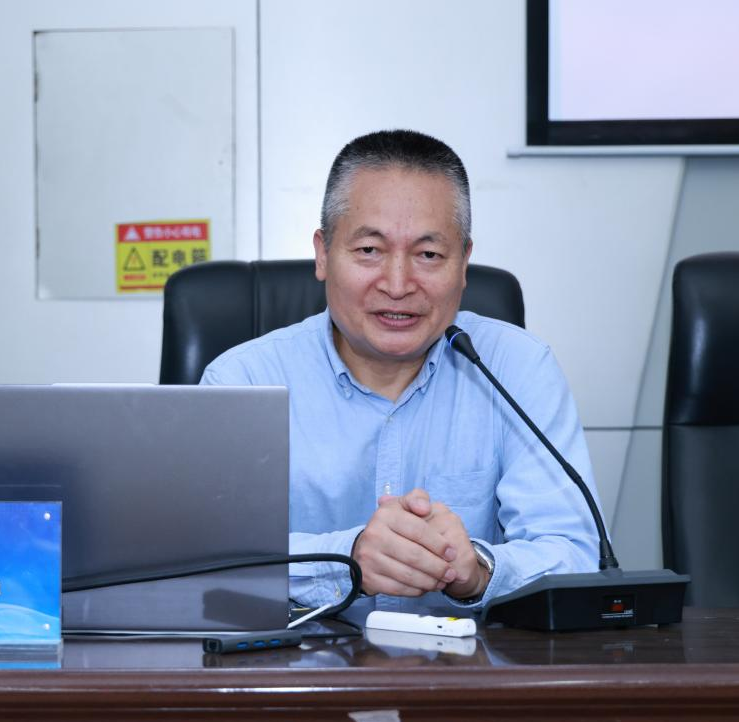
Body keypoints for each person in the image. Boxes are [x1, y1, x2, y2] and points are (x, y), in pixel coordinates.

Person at [201, 129, 600, 615]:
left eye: (428, 255)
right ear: (323, 253)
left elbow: (575, 554)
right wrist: (345, 560)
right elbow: (206, 563)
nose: (397, 284)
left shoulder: (516, 369)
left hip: (470, 661)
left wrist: (478, 569)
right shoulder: (243, 381)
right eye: (369, 250)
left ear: (464, 263)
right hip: (300, 659)